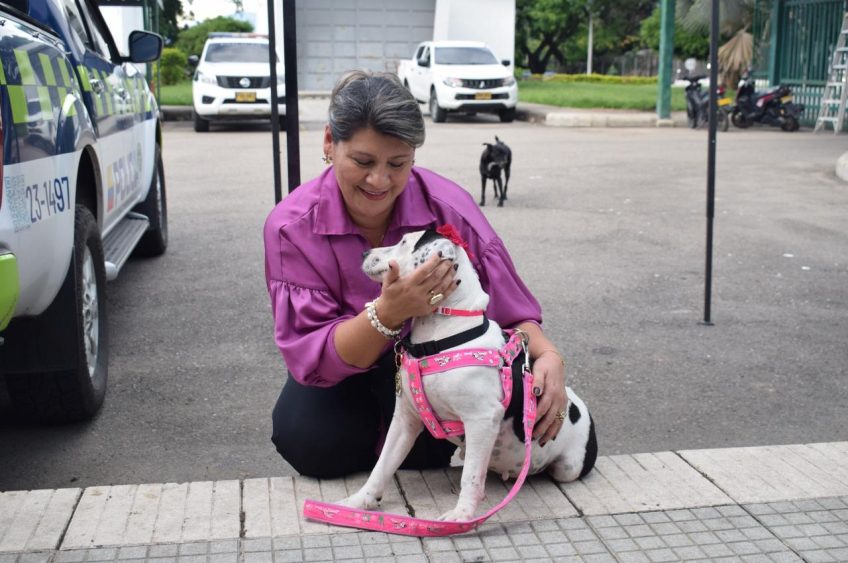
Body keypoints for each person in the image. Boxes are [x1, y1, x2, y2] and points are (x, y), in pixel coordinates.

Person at [264, 70, 568, 479]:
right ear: (329, 144)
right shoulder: (291, 227)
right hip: (345, 370)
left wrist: (549, 355)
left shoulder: (449, 209)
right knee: (312, 442)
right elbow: (313, 354)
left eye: (398, 163)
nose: (380, 181)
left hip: (445, 365)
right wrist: (389, 312)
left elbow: (510, 314)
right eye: (363, 161)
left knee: (431, 446)